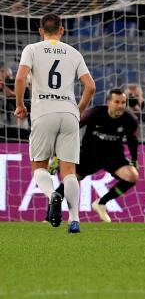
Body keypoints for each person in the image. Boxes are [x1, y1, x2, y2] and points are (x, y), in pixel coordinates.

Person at [13, 13, 96, 234]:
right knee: (68, 170)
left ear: (41, 31)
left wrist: (20, 105)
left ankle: (52, 196)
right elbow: (90, 86)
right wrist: (78, 111)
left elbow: (20, 78)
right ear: (62, 31)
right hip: (68, 113)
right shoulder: (74, 52)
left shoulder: (32, 49)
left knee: (39, 166)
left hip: (43, 113)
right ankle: (75, 219)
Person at [49, 89, 139, 223]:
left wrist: (134, 160)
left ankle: (101, 203)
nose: (120, 105)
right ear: (109, 102)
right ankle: (48, 215)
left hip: (113, 155)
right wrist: (57, 155)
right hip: (88, 154)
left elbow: (132, 141)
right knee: (69, 182)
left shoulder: (129, 120)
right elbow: (71, 128)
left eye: (123, 102)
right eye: (117, 102)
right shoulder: (95, 113)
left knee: (132, 176)